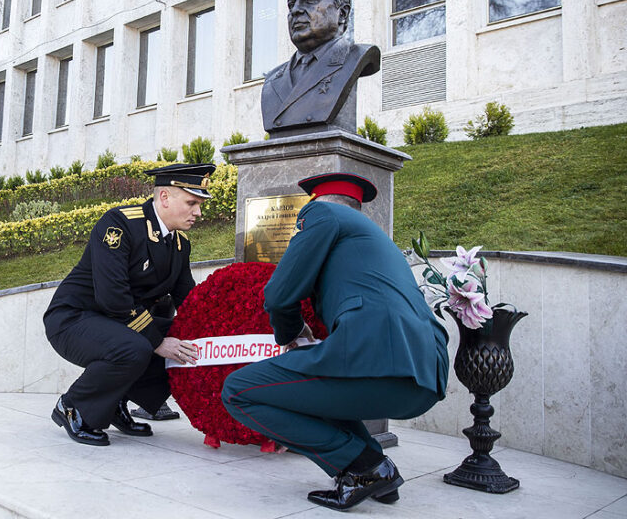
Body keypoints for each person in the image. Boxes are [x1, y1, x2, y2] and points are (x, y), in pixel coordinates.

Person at [221, 172, 450, 511]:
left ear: (314, 202)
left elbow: (279, 295)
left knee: (238, 391)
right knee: (316, 393)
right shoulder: (375, 241)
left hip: (378, 356)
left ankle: (363, 468)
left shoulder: (322, 214)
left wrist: (292, 335)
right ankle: (379, 474)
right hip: (423, 374)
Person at [45, 163, 214, 446]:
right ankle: (73, 406)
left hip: (115, 323)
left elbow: (189, 299)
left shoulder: (180, 243)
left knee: (183, 338)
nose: (198, 212)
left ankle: (113, 405)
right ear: (164, 198)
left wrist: (221, 328)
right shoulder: (120, 224)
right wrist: (158, 341)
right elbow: (113, 297)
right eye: (192, 202)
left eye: (199, 204)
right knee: (137, 346)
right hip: (74, 319)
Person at [261, 0, 380, 136]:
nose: (295, 10)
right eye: (291, 4)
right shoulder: (272, 80)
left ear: (343, 13)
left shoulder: (354, 58)